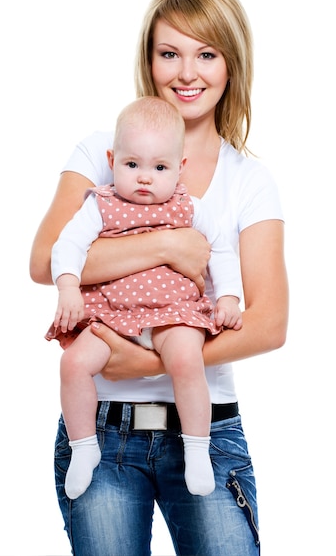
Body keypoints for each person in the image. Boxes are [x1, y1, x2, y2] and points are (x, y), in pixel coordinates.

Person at [30, 0, 288, 556]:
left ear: (231, 63)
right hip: (101, 431)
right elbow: (47, 260)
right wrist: (170, 247)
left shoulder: (248, 180)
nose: (187, 72)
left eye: (206, 54)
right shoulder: (106, 149)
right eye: (169, 53)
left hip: (207, 429)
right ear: (149, 60)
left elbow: (269, 322)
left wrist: (144, 362)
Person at [46, 95, 243, 500]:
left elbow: (222, 249)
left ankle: (197, 449)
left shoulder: (190, 207)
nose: (144, 178)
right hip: (110, 314)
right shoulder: (101, 204)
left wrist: (229, 298)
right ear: (111, 159)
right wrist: (68, 286)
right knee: (73, 364)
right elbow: (66, 246)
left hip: (174, 314)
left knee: (187, 361)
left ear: (180, 168)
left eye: (160, 167)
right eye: (131, 165)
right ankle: (84, 448)